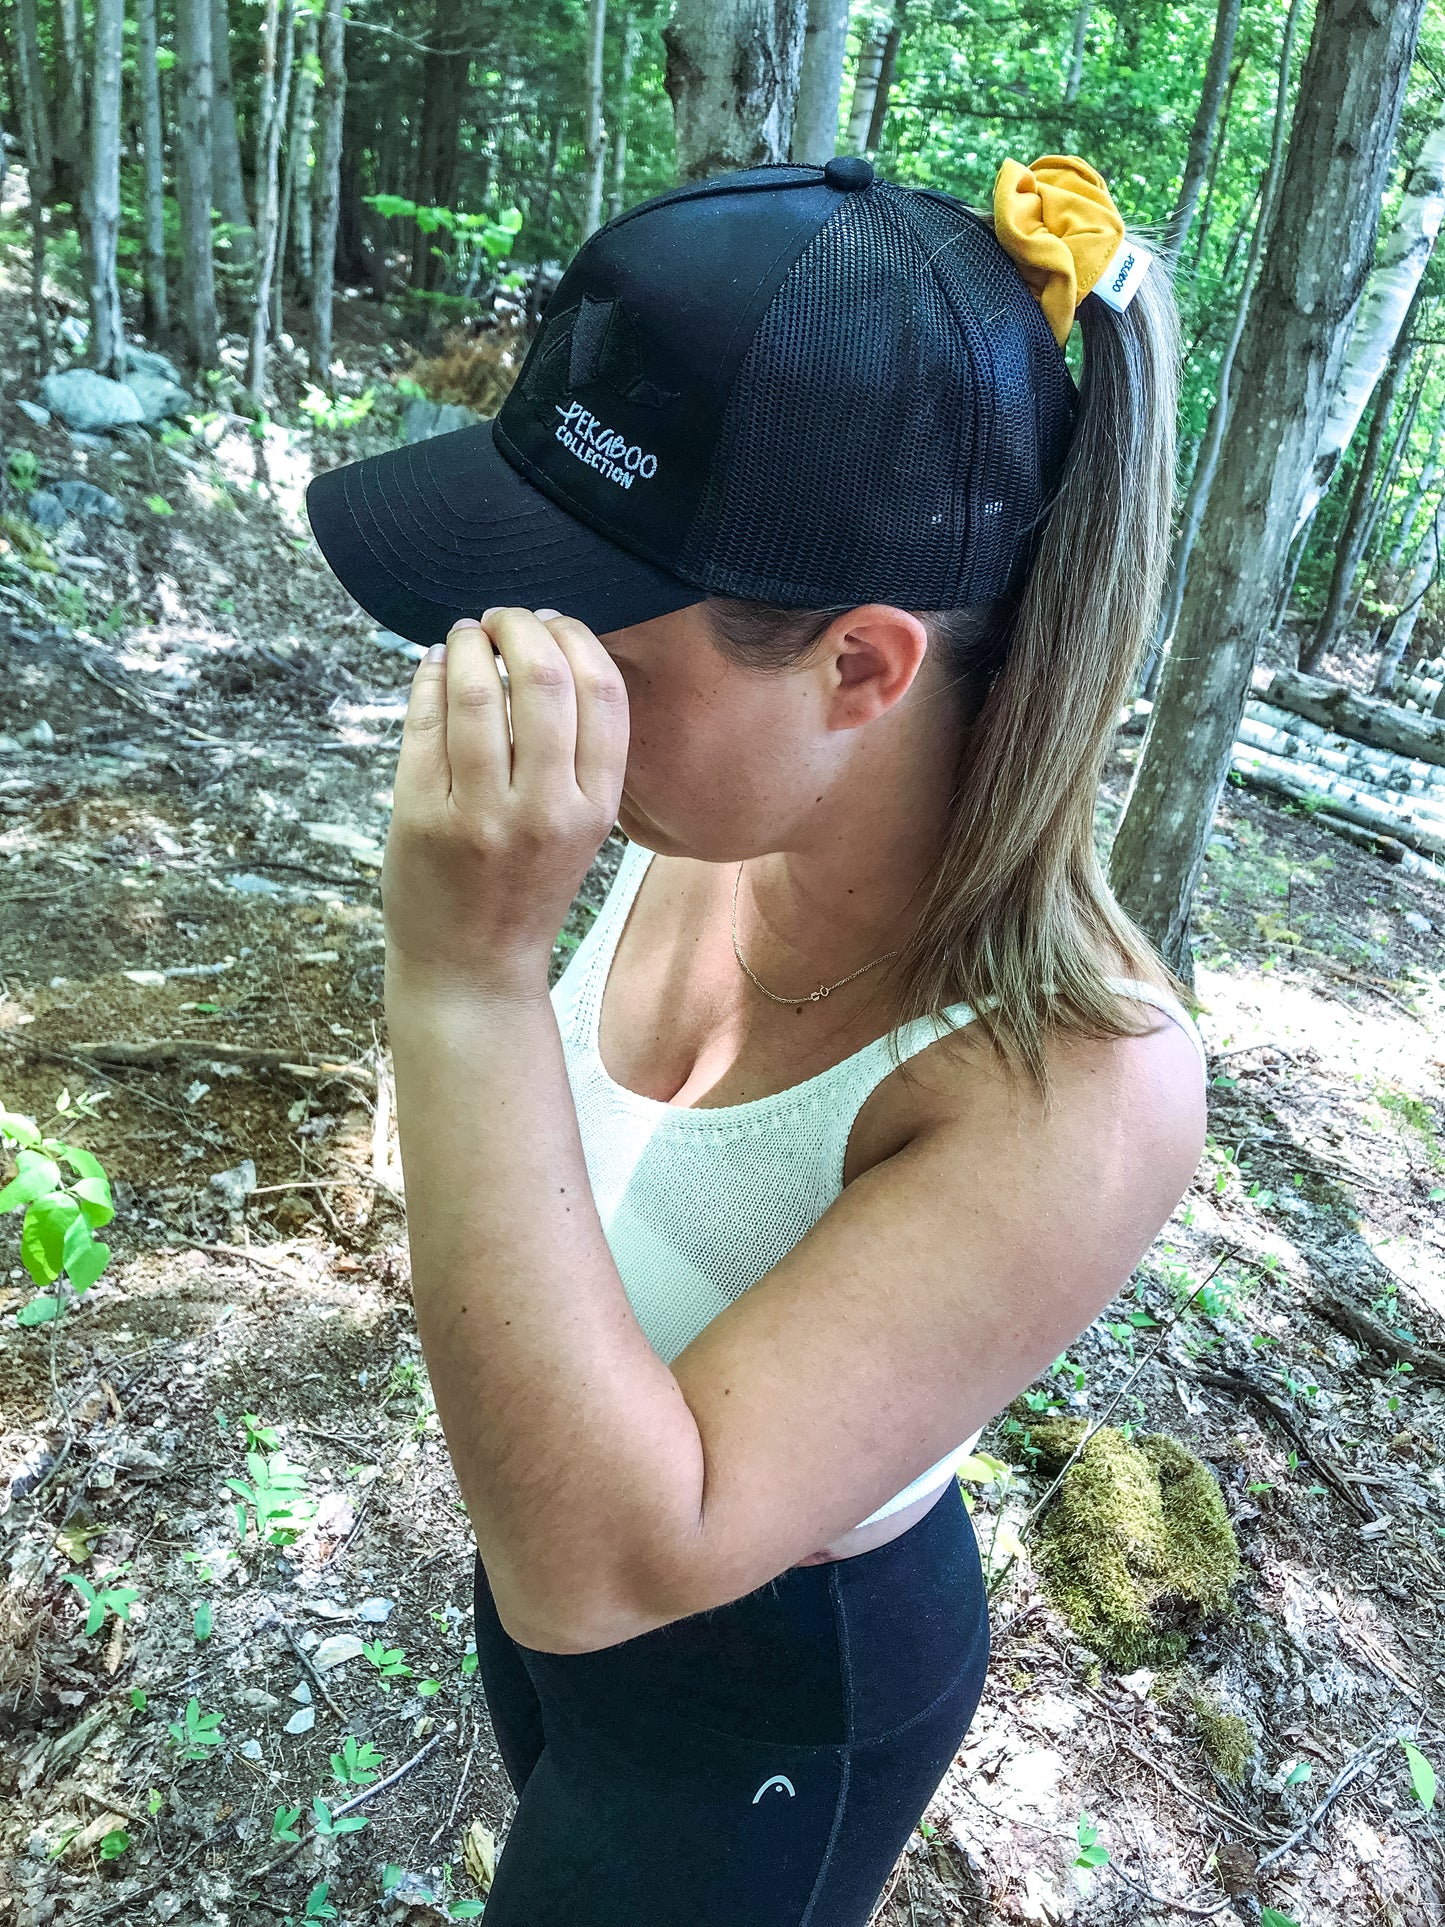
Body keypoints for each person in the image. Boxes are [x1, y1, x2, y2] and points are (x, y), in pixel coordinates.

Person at [305, 152, 1207, 1927]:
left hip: (764, 1699)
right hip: (559, 1596)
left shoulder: (1073, 1082)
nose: (506, 664)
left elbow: (604, 1561)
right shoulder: (716, 807)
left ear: (863, 668)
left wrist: (467, 979)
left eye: (586, 628)